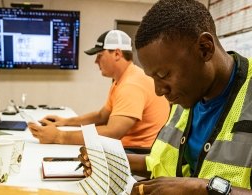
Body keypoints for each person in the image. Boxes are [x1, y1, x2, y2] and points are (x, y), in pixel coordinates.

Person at [79, 0, 252, 194]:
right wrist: (111, 160)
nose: (158, 91)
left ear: (204, 48)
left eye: (163, 75)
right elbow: (162, 163)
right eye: (153, 78)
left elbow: (190, 185)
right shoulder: (187, 94)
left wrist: (200, 188)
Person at [28, 30, 170, 149]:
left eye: (99, 55)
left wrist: (58, 136)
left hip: (136, 154)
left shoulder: (131, 84)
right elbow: (102, 116)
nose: (96, 61)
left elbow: (112, 132)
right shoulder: (122, 80)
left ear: (117, 54)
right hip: (129, 149)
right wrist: (64, 122)